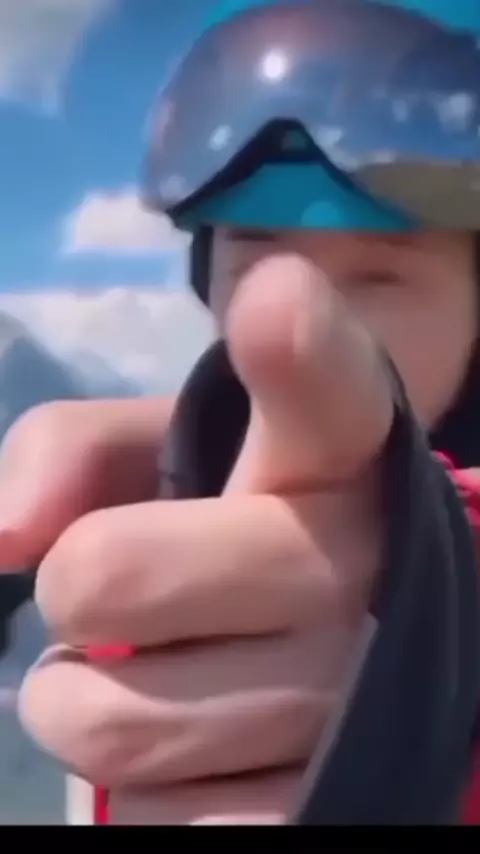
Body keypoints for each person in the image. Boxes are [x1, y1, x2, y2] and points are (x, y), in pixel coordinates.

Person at [2, 0, 480, 825]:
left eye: (382, 276)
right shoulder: (136, 503)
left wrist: (444, 583)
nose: (314, 310)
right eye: (254, 259)